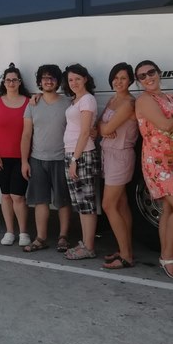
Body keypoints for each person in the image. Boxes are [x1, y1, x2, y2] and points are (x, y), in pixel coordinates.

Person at [134, 60, 173, 279]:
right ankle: (168, 257)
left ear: (158, 73)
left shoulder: (171, 97)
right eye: (142, 76)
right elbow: (168, 125)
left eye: (151, 72)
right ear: (138, 81)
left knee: (169, 210)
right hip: (159, 163)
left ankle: (168, 255)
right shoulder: (144, 100)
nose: (148, 77)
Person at [20, 65, 71, 253]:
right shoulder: (32, 104)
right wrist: (24, 161)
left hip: (61, 159)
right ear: (39, 82)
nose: (48, 81)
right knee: (40, 201)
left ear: (58, 81)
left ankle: (63, 237)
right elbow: (26, 135)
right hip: (37, 159)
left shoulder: (68, 103)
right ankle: (40, 238)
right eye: (44, 78)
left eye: (52, 78)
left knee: (63, 201)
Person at [98, 62, 139, 269]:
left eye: (123, 78)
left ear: (130, 80)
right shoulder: (113, 99)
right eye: (115, 77)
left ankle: (126, 257)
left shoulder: (129, 103)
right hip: (109, 154)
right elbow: (99, 125)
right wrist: (103, 127)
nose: (118, 81)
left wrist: (104, 128)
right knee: (121, 204)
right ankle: (125, 249)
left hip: (121, 155)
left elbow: (104, 130)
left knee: (108, 205)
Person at [0, 64, 32, 246]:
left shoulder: (29, 102)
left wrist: (25, 160)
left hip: (22, 158)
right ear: (4, 83)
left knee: (18, 196)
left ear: (20, 82)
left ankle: (24, 233)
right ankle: (10, 231)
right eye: (8, 80)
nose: (11, 83)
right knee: (6, 195)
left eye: (14, 80)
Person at [61, 64, 99, 259]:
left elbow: (85, 132)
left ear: (85, 79)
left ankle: (89, 247)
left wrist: (75, 159)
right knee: (80, 203)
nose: (74, 82)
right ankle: (85, 243)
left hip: (82, 155)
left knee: (86, 203)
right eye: (70, 80)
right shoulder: (75, 100)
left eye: (77, 78)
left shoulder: (87, 99)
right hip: (72, 154)